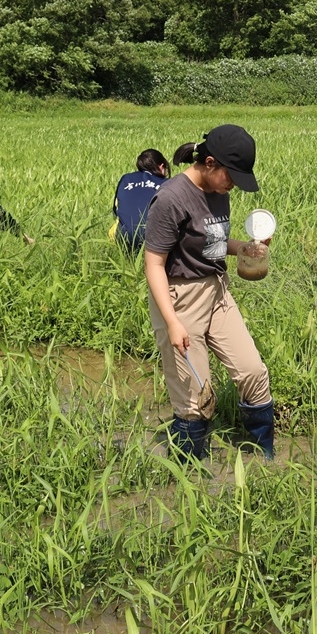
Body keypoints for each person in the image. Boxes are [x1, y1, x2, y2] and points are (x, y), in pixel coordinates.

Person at [142, 125, 275, 462]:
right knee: (196, 397)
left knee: (253, 372)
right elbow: (154, 265)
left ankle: (264, 460)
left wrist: (244, 247)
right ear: (211, 162)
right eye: (231, 176)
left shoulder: (219, 188)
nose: (232, 185)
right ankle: (190, 479)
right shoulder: (171, 198)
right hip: (180, 298)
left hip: (216, 289)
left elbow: (213, 243)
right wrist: (172, 322)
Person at [111, 148, 170, 250]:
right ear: (161, 166)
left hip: (124, 238)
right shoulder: (168, 183)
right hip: (157, 242)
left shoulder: (126, 179)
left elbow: (116, 210)